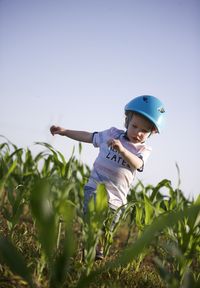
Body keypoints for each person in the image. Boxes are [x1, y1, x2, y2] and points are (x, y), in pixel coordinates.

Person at [50, 95, 166, 259]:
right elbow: (89, 137)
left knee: (106, 230)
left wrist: (123, 151)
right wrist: (65, 132)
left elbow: (138, 165)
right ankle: (90, 254)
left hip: (117, 198)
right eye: (134, 126)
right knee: (91, 225)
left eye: (145, 131)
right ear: (127, 121)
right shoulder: (112, 134)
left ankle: (96, 254)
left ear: (152, 132)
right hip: (95, 187)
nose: (138, 133)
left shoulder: (143, 149)